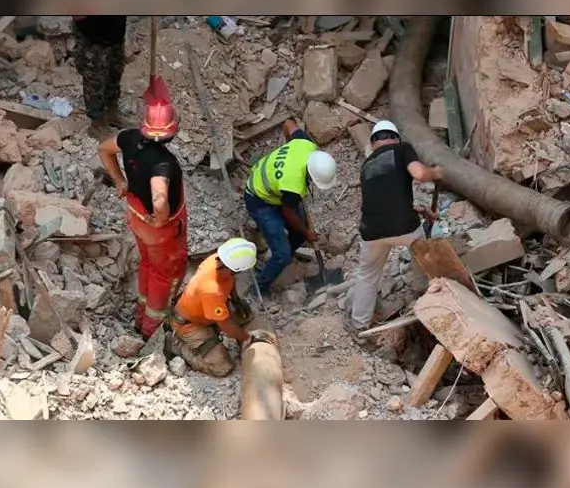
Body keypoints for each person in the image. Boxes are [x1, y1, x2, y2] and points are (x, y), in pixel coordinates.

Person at [96, 92, 185, 340]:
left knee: (147, 263)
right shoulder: (164, 164)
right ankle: (151, 331)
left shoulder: (130, 138)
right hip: (159, 231)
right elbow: (159, 198)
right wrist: (160, 217)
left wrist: (120, 182)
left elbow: (104, 149)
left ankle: (140, 315)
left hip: (137, 218)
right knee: (165, 274)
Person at [346, 120, 443, 344]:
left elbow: (383, 200)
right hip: (403, 227)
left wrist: (419, 209)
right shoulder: (402, 149)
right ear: (396, 138)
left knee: (367, 276)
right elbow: (419, 174)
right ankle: (429, 304)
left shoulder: (367, 165)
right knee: (424, 261)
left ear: (373, 142)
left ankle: (359, 327)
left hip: (371, 231)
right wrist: (434, 172)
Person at [243, 118, 338, 296]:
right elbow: (288, 212)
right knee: (284, 253)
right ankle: (258, 288)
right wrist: (307, 233)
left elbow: (288, 123)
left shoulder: (305, 144)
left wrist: (288, 152)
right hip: (259, 198)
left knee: (299, 235)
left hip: (277, 188)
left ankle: (282, 254)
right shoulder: (294, 184)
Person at [167, 238, 262, 377]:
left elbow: (230, 280)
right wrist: (249, 338)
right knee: (223, 367)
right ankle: (177, 346)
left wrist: (236, 300)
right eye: (239, 271)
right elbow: (227, 328)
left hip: (207, 310)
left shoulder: (218, 259)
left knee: (244, 316)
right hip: (189, 324)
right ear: (234, 270)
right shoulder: (211, 289)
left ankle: (215, 331)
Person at [72, 15, 129, 137]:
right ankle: (96, 123)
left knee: (115, 71)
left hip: (115, 28)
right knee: (95, 76)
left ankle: (111, 112)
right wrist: (88, 30)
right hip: (93, 29)